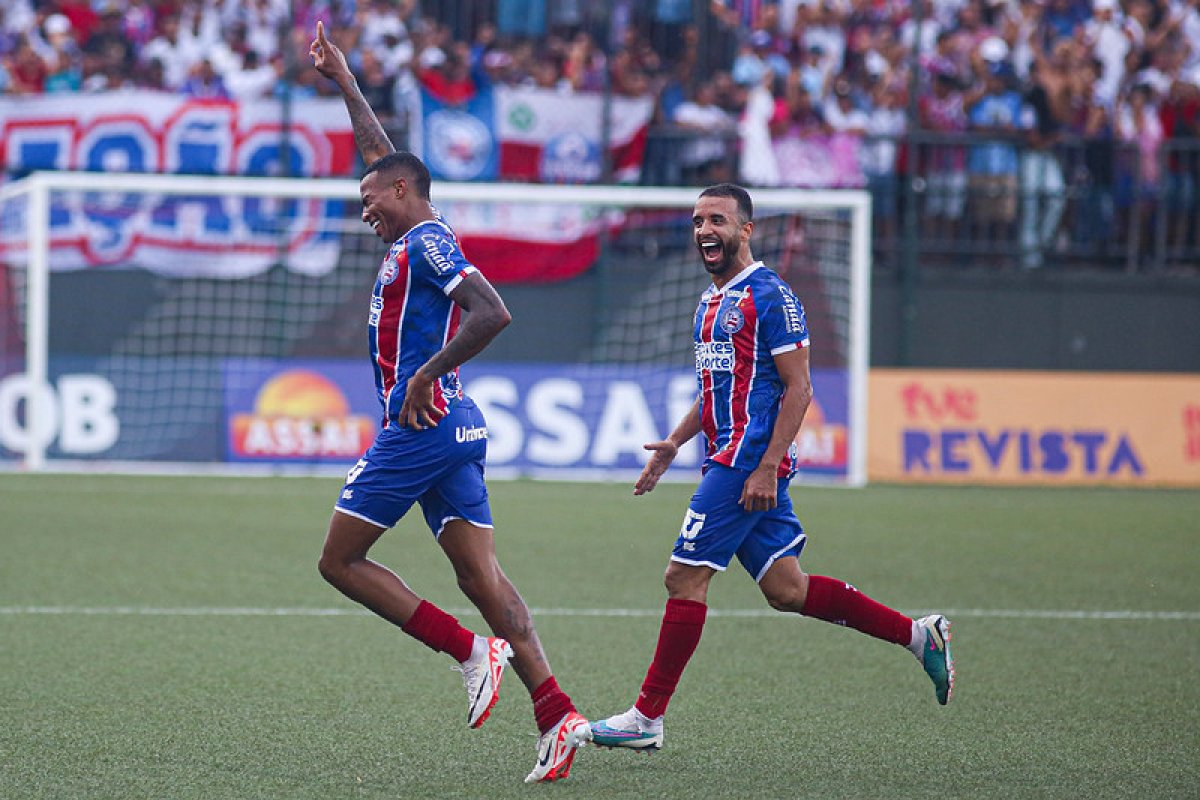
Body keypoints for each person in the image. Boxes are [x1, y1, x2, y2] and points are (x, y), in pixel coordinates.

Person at [308, 22, 590, 784]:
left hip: (423, 427)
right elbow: (380, 153)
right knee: (483, 581)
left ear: (405, 193)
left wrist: (424, 377)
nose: (365, 206)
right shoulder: (410, 230)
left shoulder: (429, 241)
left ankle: (469, 653)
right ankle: (557, 715)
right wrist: (346, 81)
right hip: (456, 431)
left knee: (338, 561)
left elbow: (492, 312)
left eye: (373, 197)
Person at [589, 183, 955, 752]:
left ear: (746, 230)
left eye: (717, 221)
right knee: (788, 589)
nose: (705, 231)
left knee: (683, 578)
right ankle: (918, 636)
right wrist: (674, 443)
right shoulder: (710, 300)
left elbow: (800, 387)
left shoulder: (770, 295)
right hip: (728, 457)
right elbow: (715, 390)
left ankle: (646, 718)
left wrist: (766, 466)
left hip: (745, 464)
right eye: (697, 221)